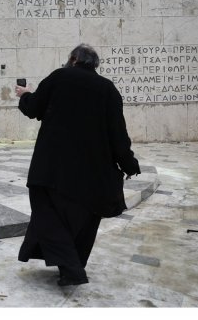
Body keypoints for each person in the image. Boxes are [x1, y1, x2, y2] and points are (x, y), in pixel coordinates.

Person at [15, 44, 141, 286]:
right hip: (93, 173)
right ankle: (71, 266)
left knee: (47, 216)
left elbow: (33, 109)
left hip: (52, 168)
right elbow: (118, 134)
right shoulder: (108, 89)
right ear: (94, 64)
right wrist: (129, 163)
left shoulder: (59, 77)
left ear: (73, 59)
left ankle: (71, 268)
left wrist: (25, 95)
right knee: (84, 221)